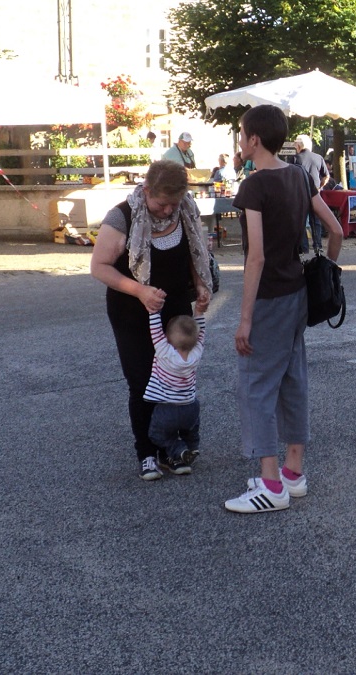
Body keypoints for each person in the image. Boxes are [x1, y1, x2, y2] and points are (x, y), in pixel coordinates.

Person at [224, 104, 344, 514]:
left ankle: (271, 484)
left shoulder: (255, 187)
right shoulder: (297, 174)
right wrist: (327, 267)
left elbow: (254, 258)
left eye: (242, 134)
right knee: (293, 379)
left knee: (256, 384)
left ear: (253, 139)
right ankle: (293, 472)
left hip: (270, 296)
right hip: (298, 294)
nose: (241, 140)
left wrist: (244, 319)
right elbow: (336, 229)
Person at [90, 160, 213, 480]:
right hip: (131, 310)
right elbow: (100, 267)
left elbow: (193, 256)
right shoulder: (122, 216)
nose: (168, 210)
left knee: (175, 378)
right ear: (146, 191)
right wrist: (139, 291)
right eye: (161, 203)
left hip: (173, 309)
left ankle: (172, 448)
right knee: (143, 381)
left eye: (175, 203)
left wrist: (200, 285)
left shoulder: (185, 210)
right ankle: (146, 451)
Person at [145, 310, 206, 476]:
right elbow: (201, 336)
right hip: (191, 406)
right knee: (191, 429)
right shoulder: (196, 354)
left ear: (167, 337)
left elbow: (155, 332)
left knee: (156, 434)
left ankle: (179, 450)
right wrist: (199, 312)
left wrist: (153, 311)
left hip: (168, 408)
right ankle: (192, 448)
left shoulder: (165, 353)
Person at [293, 134, 330, 252]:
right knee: (316, 221)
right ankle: (317, 245)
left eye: (295, 145)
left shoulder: (295, 159)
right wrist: (320, 186)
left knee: (301, 221)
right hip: (316, 193)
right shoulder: (318, 157)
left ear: (299, 145)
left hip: (301, 193)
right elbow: (326, 176)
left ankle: (304, 247)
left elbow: (292, 177)